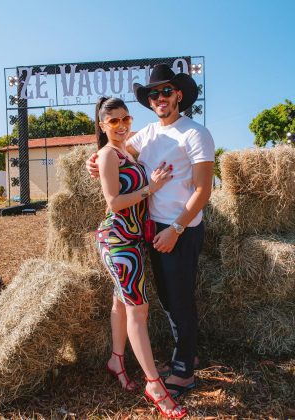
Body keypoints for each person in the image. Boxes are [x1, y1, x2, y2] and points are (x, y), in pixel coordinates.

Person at [87, 63, 215, 398]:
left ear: (179, 96)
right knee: (170, 299)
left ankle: (184, 371)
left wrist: (175, 228)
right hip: (151, 230)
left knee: (179, 298)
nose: (160, 97)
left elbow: (204, 190)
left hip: (181, 228)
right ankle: (186, 355)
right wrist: (94, 160)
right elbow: (116, 156)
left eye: (166, 91)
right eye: (154, 93)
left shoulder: (195, 133)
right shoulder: (146, 134)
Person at [94, 96, 187, 419]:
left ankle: (116, 360)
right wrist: (152, 187)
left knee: (121, 301)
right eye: (114, 121)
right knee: (139, 308)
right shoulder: (108, 154)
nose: (121, 126)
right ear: (103, 125)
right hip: (117, 239)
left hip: (133, 239)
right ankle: (154, 385)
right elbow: (113, 202)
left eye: (126, 120)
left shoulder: (124, 151)